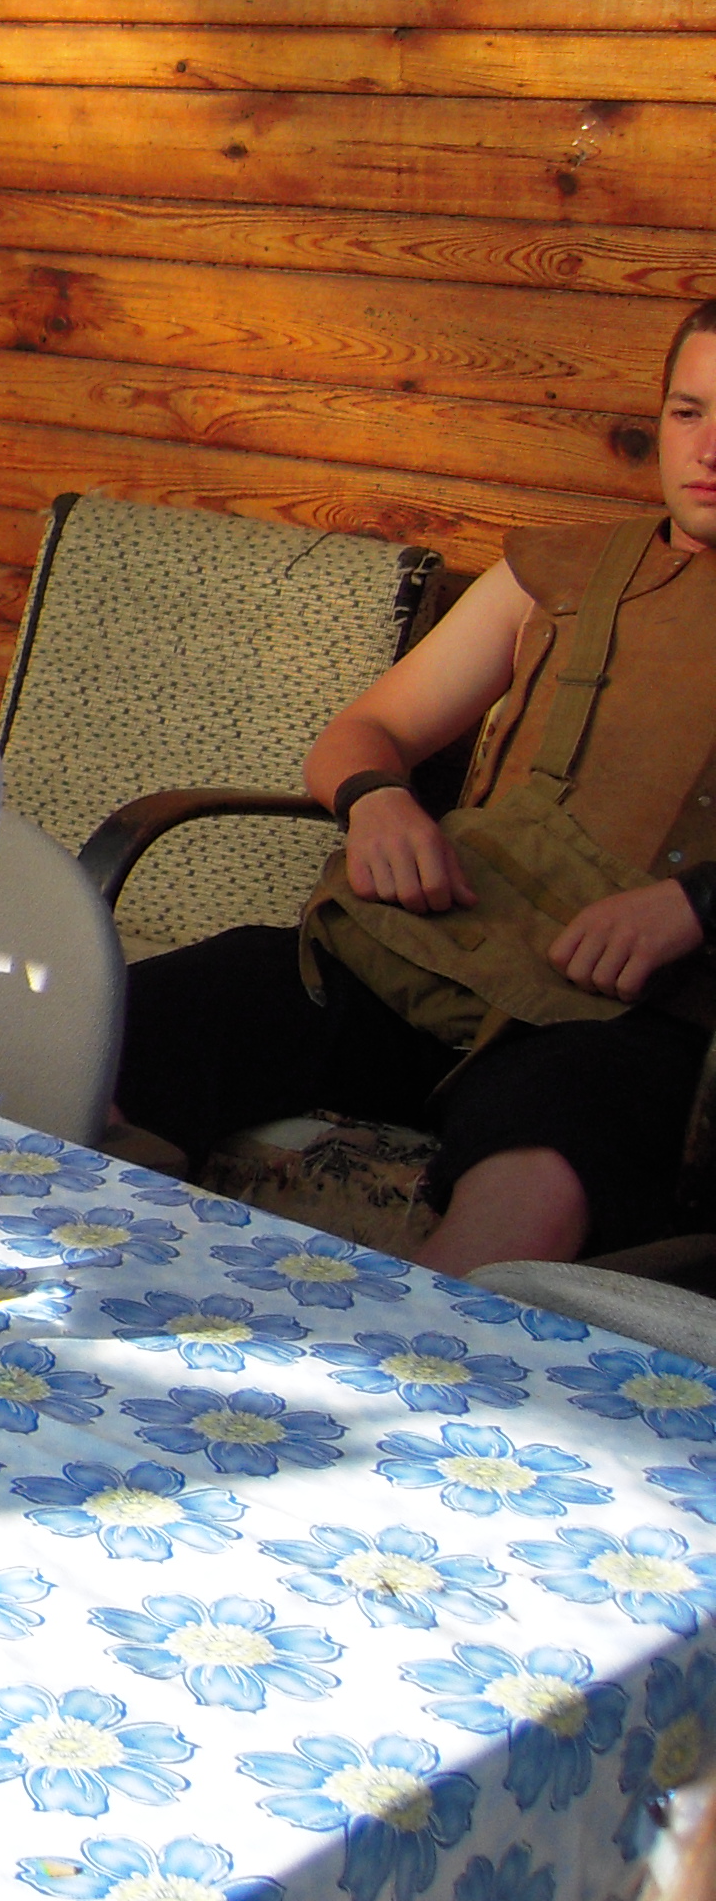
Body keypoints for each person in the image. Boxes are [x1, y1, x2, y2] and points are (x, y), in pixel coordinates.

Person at [117, 298, 716, 1271]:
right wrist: (378, 800)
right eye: (689, 412)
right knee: (133, 1024)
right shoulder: (560, 570)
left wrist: (697, 904)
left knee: (536, 1184)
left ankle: (392, 1369)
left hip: (616, 1026)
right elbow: (369, 731)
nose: (708, 449)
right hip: (431, 954)